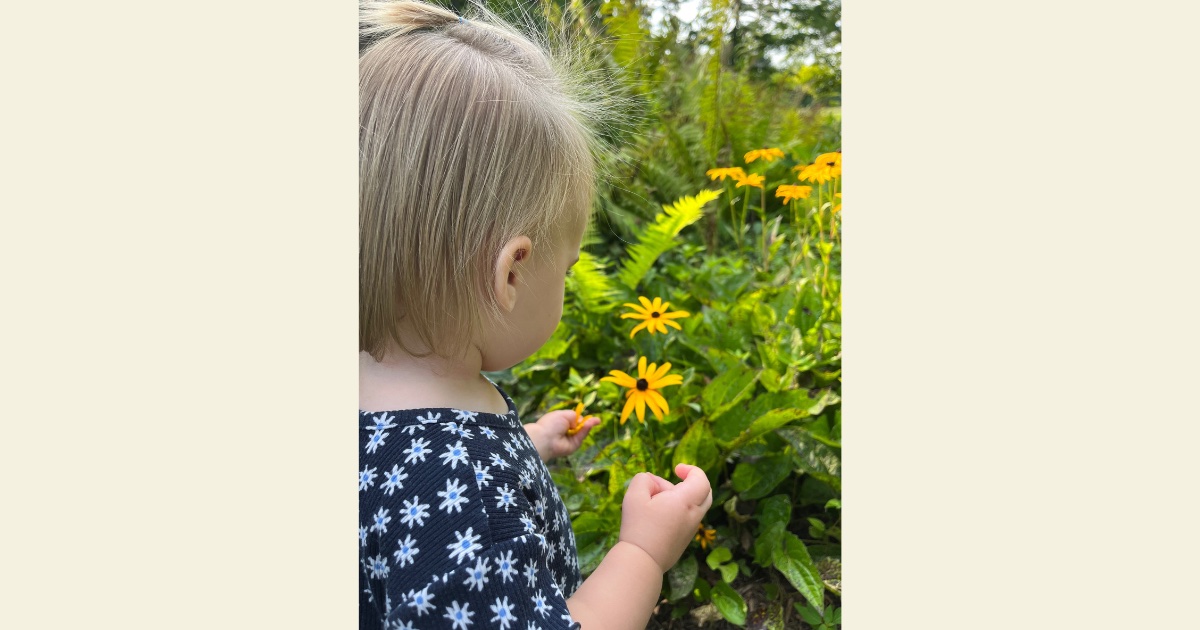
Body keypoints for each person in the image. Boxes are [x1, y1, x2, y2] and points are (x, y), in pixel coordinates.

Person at [358, 2, 714, 628]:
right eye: (570, 267)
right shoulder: (462, 494)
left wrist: (525, 448)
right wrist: (643, 551)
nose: (570, 280)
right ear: (512, 273)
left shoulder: (388, 404)